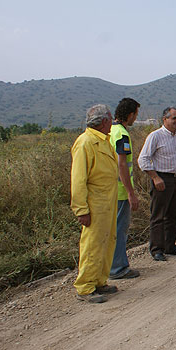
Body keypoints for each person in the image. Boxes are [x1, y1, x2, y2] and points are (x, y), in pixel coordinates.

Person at [70, 104, 119, 303]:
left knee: (107, 242)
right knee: (92, 245)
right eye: (110, 119)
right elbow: (78, 179)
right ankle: (85, 287)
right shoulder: (85, 143)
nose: (112, 123)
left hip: (108, 201)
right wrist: (81, 209)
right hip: (95, 203)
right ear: (104, 121)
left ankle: (100, 281)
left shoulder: (104, 141)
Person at [138, 107, 176, 261]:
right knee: (159, 216)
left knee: (175, 215)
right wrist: (155, 177)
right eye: (173, 118)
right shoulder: (155, 136)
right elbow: (143, 159)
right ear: (165, 119)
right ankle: (157, 249)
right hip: (162, 179)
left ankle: (170, 245)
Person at [108, 98, 142, 280]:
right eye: (136, 114)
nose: (135, 118)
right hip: (120, 191)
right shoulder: (122, 134)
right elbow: (122, 165)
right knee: (119, 230)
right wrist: (130, 192)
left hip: (109, 189)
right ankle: (118, 268)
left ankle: (110, 266)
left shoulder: (109, 131)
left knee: (111, 230)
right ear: (130, 114)